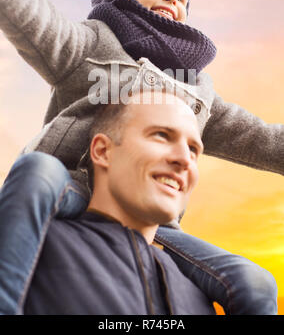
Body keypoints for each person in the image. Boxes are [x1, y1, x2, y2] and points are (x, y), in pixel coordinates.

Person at [0, 0, 280, 315]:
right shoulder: (89, 46)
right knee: (36, 171)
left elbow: (260, 138)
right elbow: (29, 11)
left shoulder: (197, 92)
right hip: (70, 187)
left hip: (156, 219)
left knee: (255, 281)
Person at [24, 90, 216, 315]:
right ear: (103, 151)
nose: (184, 159)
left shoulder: (199, 295)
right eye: (162, 135)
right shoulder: (33, 247)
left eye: (193, 150)